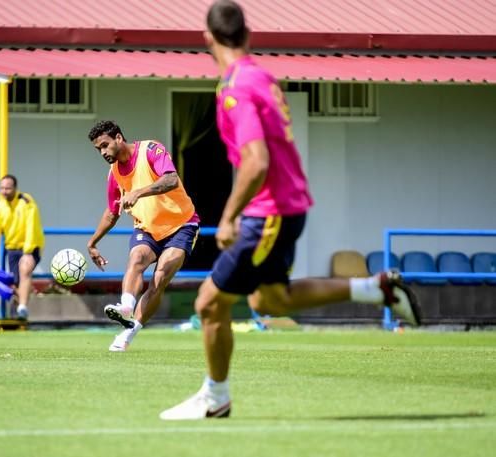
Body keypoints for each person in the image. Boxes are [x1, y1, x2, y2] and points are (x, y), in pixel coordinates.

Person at [160, 0, 421, 420]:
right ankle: (376, 289)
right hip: (289, 206)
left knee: (208, 304)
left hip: (269, 213)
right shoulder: (262, 77)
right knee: (272, 301)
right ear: (248, 35)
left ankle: (215, 397)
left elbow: (257, 160)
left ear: (207, 38)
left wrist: (228, 216)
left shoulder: (236, 89)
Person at [87, 120, 200, 352]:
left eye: (105, 145)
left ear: (119, 138)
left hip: (182, 226)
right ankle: (126, 307)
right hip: (147, 228)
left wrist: (138, 192)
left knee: (159, 278)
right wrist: (93, 242)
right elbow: (112, 212)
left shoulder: (150, 150)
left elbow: (170, 179)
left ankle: (129, 333)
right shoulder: (114, 173)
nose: (103, 152)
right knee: (137, 258)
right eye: (98, 149)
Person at [0, 174, 44, 320]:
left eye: (8, 188)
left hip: (31, 246)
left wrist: (28, 251)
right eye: (2, 188)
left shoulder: (26, 202)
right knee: (16, 282)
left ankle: (22, 307)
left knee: (24, 268)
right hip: (12, 249)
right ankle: (22, 306)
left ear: (15, 188)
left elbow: (31, 227)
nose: (4, 191)